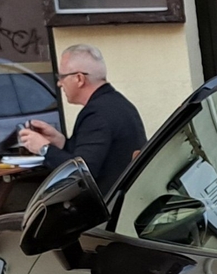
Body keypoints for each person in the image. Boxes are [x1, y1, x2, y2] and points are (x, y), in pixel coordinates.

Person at [18, 44, 147, 194]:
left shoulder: (97, 113)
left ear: (79, 79)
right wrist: (59, 141)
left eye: (62, 77)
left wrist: (44, 148)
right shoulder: (117, 103)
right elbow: (93, 154)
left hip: (109, 207)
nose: (59, 83)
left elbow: (81, 174)